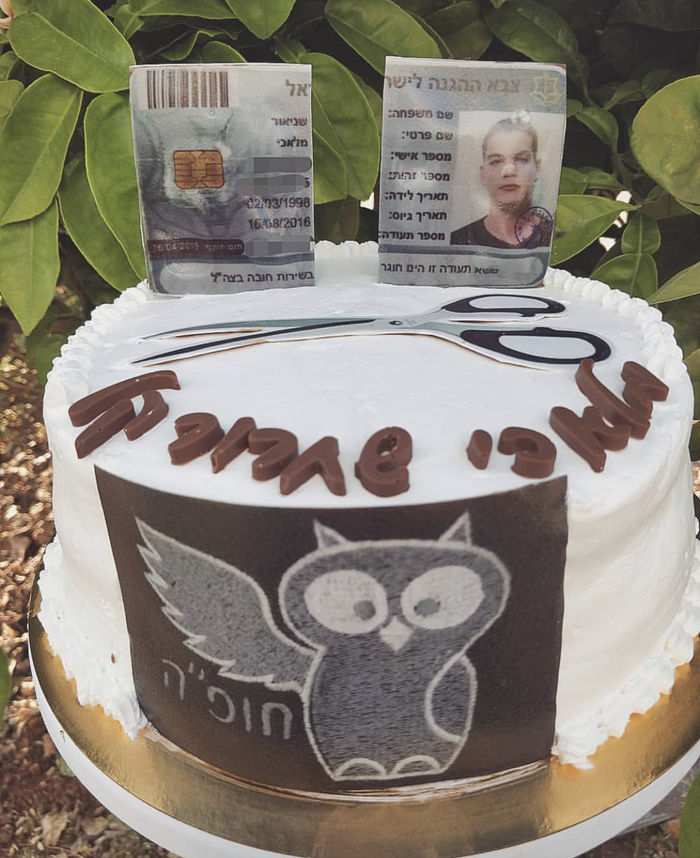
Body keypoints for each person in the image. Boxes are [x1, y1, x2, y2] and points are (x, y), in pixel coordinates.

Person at [450, 115, 550, 249]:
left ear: (537, 168)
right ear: (483, 174)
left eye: (522, 159)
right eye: (496, 161)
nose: (508, 171)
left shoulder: (556, 236)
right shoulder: (456, 241)